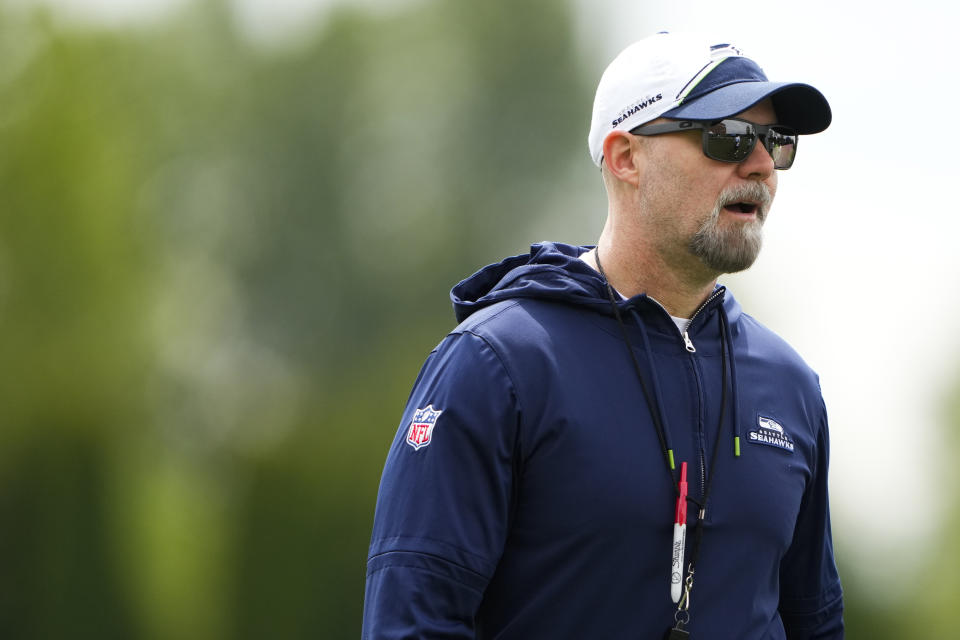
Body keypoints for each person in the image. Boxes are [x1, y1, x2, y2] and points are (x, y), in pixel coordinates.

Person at [362, 31, 843, 639]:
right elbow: (412, 623)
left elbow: (814, 625)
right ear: (625, 158)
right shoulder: (497, 365)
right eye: (728, 138)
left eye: (775, 141)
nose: (761, 165)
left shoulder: (791, 388)